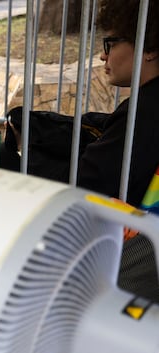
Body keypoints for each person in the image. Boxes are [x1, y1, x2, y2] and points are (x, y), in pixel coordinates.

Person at [77, 0, 159, 207]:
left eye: (111, 45)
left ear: (150, 48)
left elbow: (86, 183)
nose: (103, 55)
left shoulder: (140, 113)